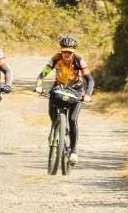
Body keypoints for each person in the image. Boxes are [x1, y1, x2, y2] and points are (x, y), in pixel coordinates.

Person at [34, 35, 94, 166]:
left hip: (76, 92)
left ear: (74, 51)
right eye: (64, 51)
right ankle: (55, 128)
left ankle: (73, 152)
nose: (66, 54)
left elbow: (90, 80)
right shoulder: (56, 58)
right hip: (59, 89)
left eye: (69, 52)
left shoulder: (79, 61)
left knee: (72, 119)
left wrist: (87, 95)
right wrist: (39, 85)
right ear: (61, 50)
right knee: (52, 107)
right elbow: (43, 73)